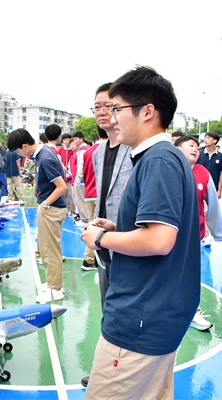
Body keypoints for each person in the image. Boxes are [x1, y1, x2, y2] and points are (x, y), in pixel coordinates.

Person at [80, 66, 200, 399]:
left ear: (147, 111)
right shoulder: (164, 157)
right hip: (159, 313)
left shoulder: (158, 160)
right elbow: (159, 228)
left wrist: (100, 239)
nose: (111, 117)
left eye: (117, 108)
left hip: (140, 317)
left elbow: (159, 240)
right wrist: (119, 228)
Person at [7, 128, 67, 303]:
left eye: (18, 150)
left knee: (50, 251)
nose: (18, 154)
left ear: (25, 145)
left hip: (51, 209)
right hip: (48, 206)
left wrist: (45, 204)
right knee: (45, 249)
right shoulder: (43, 153)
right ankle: (52, 283)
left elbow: (62, 186)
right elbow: (62, 170)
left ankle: (55, 289)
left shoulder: (45, 158)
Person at [91, 82, 134, 307]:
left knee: (125, 305)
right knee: (106, 302)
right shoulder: (97, 152)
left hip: (127, 239)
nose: (101, 112)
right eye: (97, 107)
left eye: (108, 106)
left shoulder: (134, 149)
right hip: (103, 240)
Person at [175, 135, 222, 331]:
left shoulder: (203, 173)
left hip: (194, 236)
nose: (195, 149)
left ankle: (192, 312)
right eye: (191, 145)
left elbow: (213, 204)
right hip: (166, 234)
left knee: (190, 276)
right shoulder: (168, 169)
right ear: (177, 149)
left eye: (197, 146)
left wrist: (217, 232)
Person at [79, 125, 106, 272]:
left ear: (96, 132)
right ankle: (90, 259)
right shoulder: (109, 150)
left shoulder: (87, 152)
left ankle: (90, 259)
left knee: (93, 226)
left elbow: (81, 174)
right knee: (102, 227)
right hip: (102, 195)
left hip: (89, 193)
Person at [197, 131, 222, 199]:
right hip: (199, 187)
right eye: (205, 138)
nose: (206, 140)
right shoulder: (199, 154)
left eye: (208, 138)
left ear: (215, 141)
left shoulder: (220, 156)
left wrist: (219, 190)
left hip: (214, 187)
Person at [71, 131, 89, 223]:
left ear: (81, 139)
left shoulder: (82, 150)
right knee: (80, 200)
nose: (74, 141)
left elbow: (81, 165)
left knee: (81, 200)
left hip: (80, 180)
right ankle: (84, 218)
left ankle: (85, 219)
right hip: (79, 179)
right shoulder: (80, 149)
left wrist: (78, 179)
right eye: (73, 139)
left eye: (76, 139)